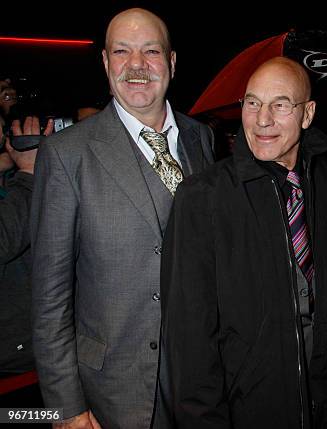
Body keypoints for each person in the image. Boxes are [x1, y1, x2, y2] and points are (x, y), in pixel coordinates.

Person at [30, 8, 214, 428]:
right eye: (122, 52)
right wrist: (66, 407)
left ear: (171, 63)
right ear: (105, 62)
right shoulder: (65, 155)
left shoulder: (200, 138)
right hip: (109, 387)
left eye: (151, 51)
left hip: (200, 380)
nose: (136, 66)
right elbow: (49, 298)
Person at [161, 57, 327, 428]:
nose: (262, 119)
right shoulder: (202, 198)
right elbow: (188, 336)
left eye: (280, 105)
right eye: (252, 103)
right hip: (250, 408)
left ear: (308, 114)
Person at [1, 118, 52, 389]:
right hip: (13, 370)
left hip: (42, 352)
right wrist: (29, 172)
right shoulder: (20, 182)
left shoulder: (9, 181)